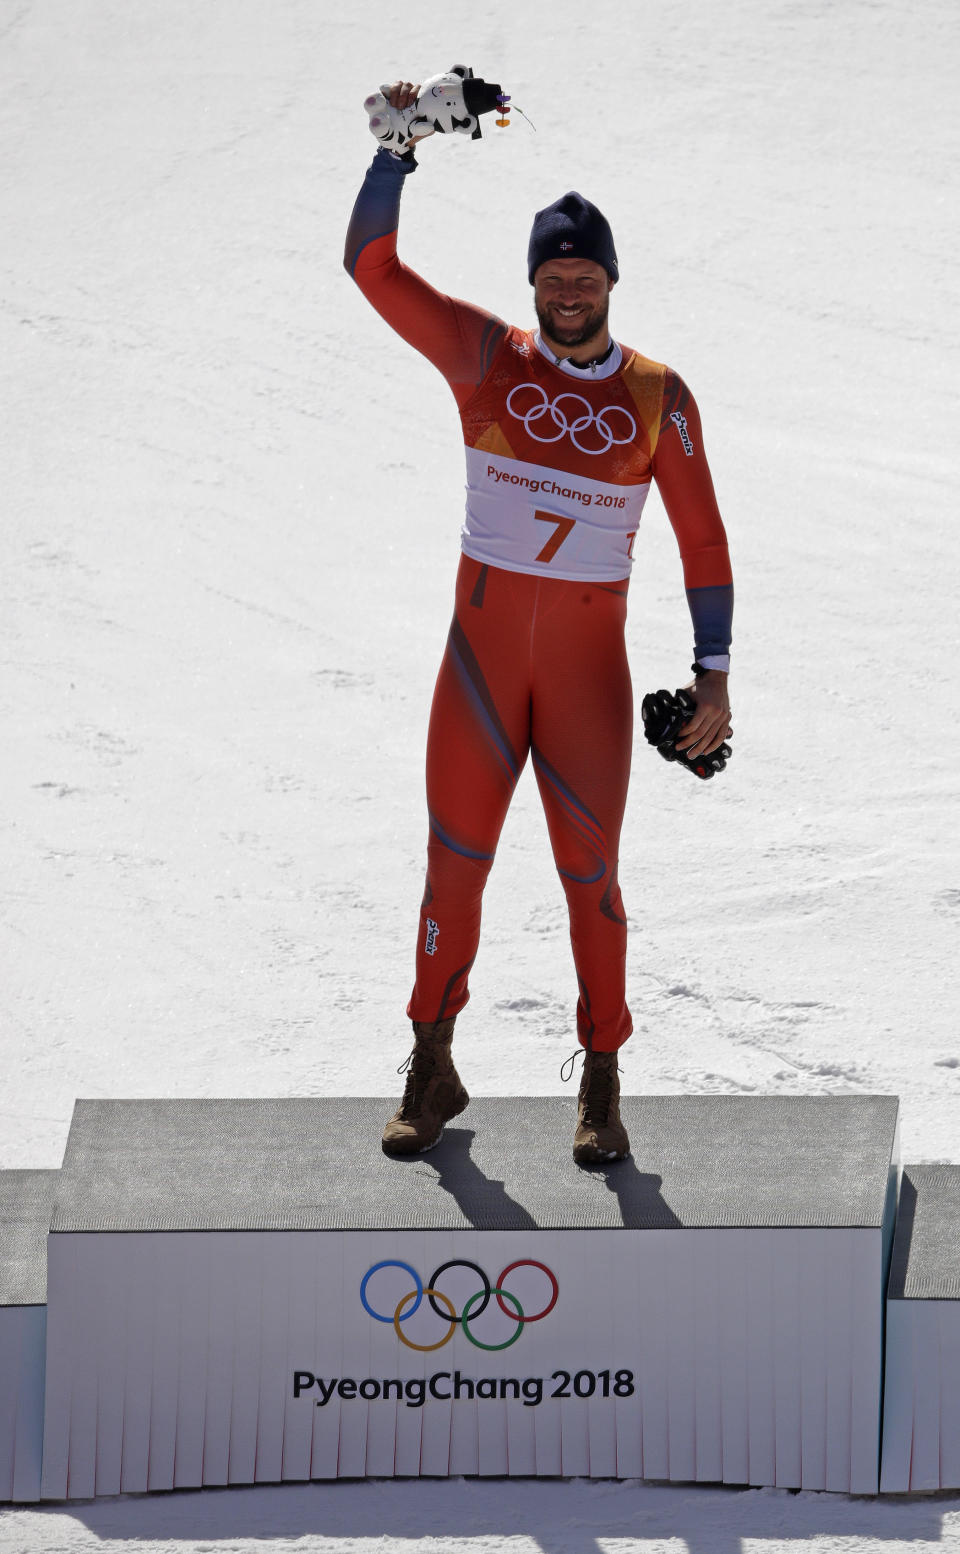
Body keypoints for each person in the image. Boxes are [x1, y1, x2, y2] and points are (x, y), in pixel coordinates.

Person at [344, 81, 733, 1165]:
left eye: (587, 274)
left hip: (584, 684)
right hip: (476, 671)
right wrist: (396, 156)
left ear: (611, 279)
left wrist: (715, 675)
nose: (571, 291)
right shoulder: (485, 358)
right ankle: (433, 1061)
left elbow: (705, 545)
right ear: (534, 283)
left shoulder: (659, 397)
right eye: (555, 276)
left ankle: (603, 1081)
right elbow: (372, 270)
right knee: (452, 867)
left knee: (591, 880)